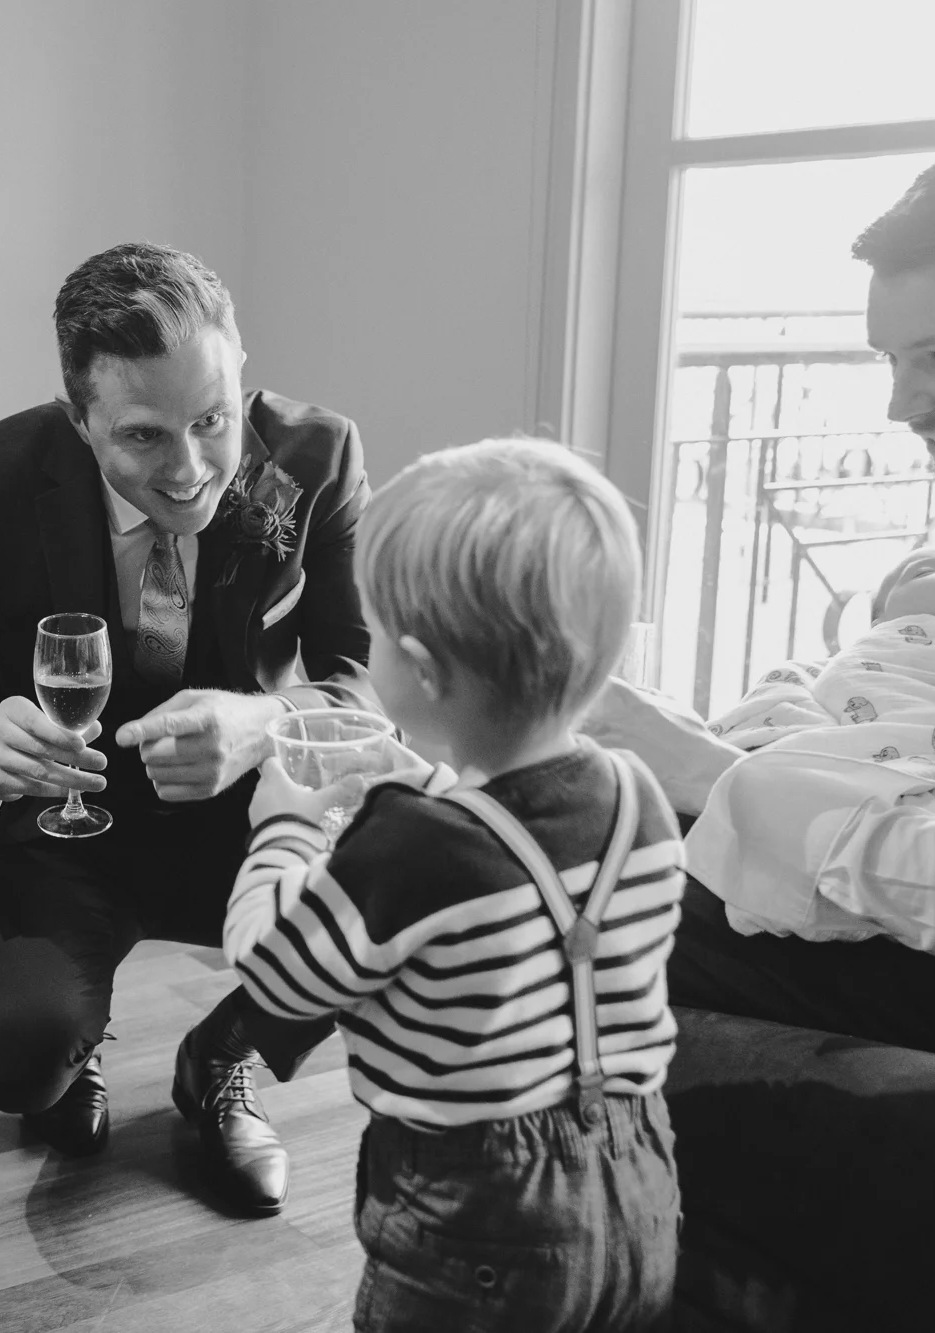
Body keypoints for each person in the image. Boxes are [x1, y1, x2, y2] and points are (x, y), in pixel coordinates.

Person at [0, 242, 376, 1214]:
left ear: (239, 373)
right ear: (78, 417)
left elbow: (363, 690)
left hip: (239, 821)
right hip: (56, 835)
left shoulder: (318, 458)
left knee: (407, 871)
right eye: (143, 437)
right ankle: (71, 1044)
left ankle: (224, 1053)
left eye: (212, 421)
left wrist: (263, 722)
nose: (190, 470)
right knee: (15, 1054)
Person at [586, 123, 935, 1076]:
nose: (901, 405)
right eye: (890, 359)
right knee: (603, 834)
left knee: (584, 907)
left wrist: (721, 777)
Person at [225, 439, 685, 1331]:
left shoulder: (410, 843)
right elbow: (520, 850)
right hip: (638, 1189)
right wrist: (435, 785)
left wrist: (282, 827)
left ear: (424, 670)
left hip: (477, 1222)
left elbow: (271, 971)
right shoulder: (639, 799)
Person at [687, 546, 935, 942]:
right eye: (921, 573)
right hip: (856, 752)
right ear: (879, 620)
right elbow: (781, 705)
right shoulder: (852, 659)